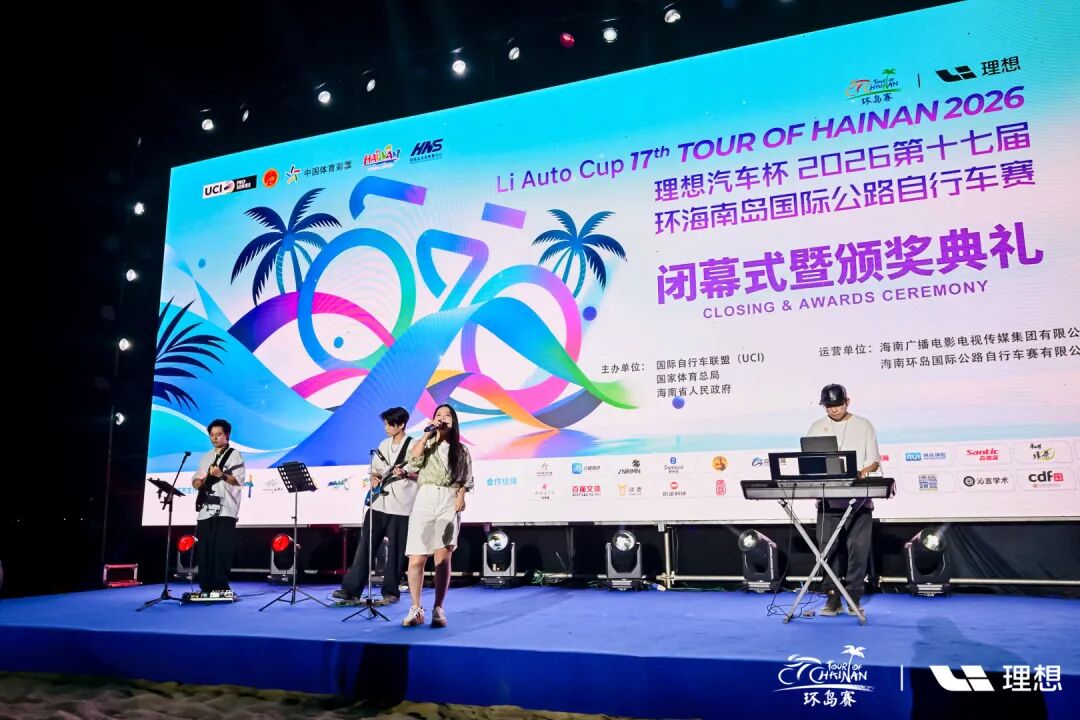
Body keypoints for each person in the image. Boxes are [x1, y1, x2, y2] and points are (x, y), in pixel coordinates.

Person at [805, 384, 881, 617]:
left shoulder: (864, 425)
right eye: (828, 406)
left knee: (858, 549)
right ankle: (832, 599)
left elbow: (874, 462)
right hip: (828, 501)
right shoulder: (816, 427)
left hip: (859, 502)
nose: (833, 409)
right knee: (827, 549)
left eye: (837, 404)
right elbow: (809, 461)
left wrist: (862, 472)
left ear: (847, 401)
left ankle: (853, 597)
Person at [333, 407, 417, 604]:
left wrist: (406, 474)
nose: (386, 428)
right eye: (385, 424)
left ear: (401, 425)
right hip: (379, 503)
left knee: (396, 551)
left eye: (389, 424)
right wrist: (374, 478)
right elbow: (375, 470)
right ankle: (351, 590)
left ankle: (391, 591)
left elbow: (421, 473)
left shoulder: (414, 445)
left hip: (402, 505)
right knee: (365, 547)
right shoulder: (383, 444)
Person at [400, 403, 473, 628]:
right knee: (416, 558)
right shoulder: (425, 443)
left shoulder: (461, 450)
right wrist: (426, 435)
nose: (443, 418)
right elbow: (413, 461)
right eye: (438, 414)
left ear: (454, 421)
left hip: (449, 498)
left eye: (447, 415)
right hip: (426, 497)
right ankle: (416, 608)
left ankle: (438, 607)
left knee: (442, 558)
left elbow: (466, 478)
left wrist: (461, 496)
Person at [191, 419, 246, 597]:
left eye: (218, 434)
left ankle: (221, 586)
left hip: (226, 509)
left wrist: (221, 475)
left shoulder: (234, 455)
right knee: (204, 549)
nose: (214, 438)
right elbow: (197, 477)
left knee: (222, 549)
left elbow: (238, 480)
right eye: (212, 435)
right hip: (206, 509)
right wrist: (197, 482)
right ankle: (205, 586)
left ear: (227, 435)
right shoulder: (206, 456)